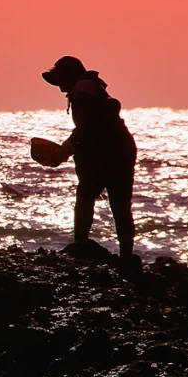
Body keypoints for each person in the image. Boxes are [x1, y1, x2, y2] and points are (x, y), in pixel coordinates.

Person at [41, 55, 139, 267]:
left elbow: (87, 126)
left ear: (69, 75)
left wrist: (65, 149)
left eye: (59, 79)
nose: (58, 86)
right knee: (120, 205)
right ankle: (126, 255)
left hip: (108, 153)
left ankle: (80, 246)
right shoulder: (91, 88)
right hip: (122, 150)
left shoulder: (82, 91)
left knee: (85, 198)